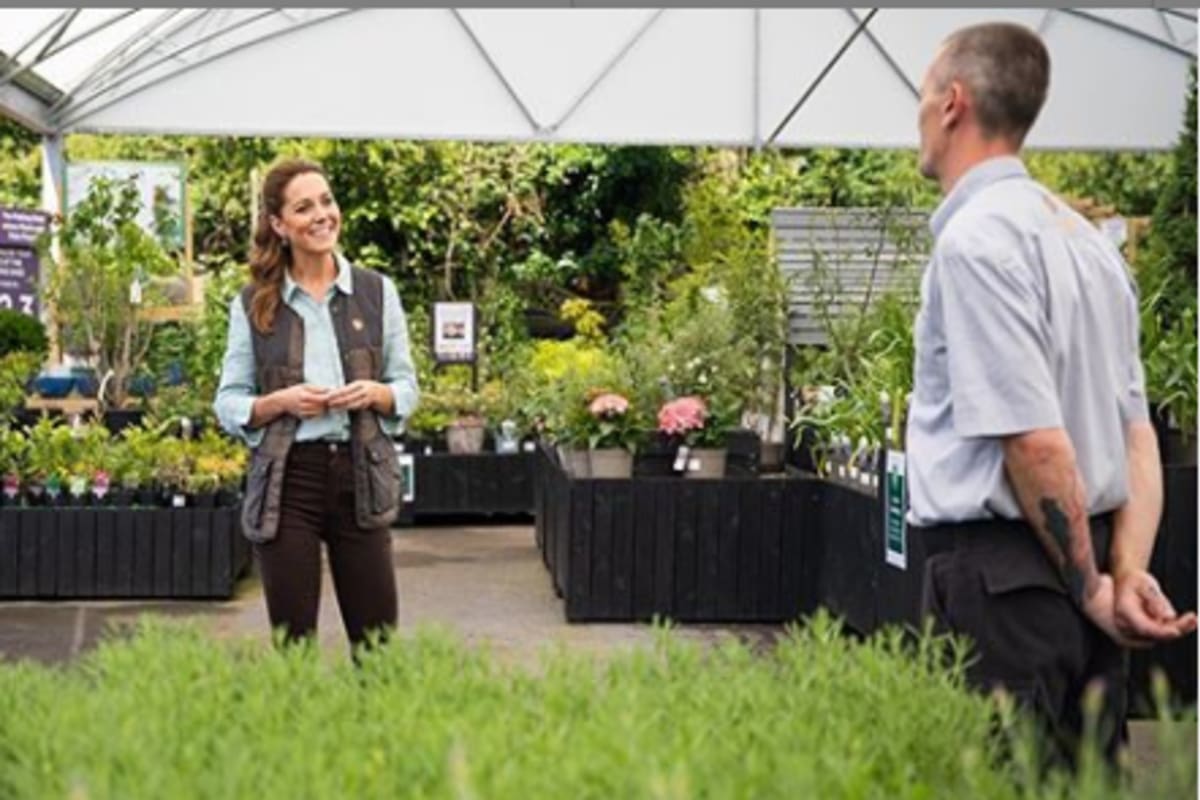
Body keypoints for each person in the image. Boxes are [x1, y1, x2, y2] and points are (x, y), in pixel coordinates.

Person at [907, 22, 1196, 767]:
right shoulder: (1090, 247)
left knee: (997, 777)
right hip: (1083, 568)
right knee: (1082, 781)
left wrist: (1093, 585)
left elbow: (1033, 441)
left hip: (1005, 581)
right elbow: (1138, 436)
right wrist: (1123, 571)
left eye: (921, 95)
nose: (918, 114)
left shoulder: (977, 243)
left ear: (952, 104)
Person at [214, 158, 419, 652]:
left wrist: (377, 394)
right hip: (289, 480)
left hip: (360, 472)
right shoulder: (253, 302)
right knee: (294, 646)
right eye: (304, 207)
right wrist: (275, 403)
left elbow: (407, 387)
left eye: (326, 201)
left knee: (378, 647)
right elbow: (227, 401)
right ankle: (301, 731)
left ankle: (377, 732)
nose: (322, 214)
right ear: (280, 225)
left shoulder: (376, 291)